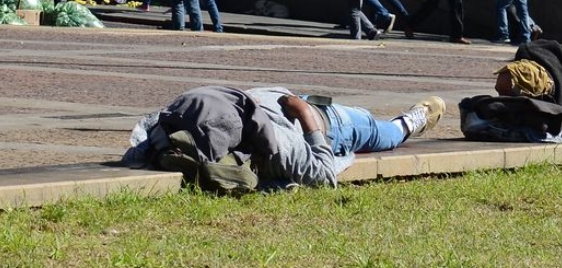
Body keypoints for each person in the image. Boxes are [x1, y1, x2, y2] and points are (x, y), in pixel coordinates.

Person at [127, 85, 446, 189]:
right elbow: (322, 173)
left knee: (382, 130)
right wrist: (305, 114)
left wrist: (304, 113)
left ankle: (409, 121)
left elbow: (323, 175)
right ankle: (408, 122)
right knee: (382, 132)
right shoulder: (277, 143)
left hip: (312, 114)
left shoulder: (275, 141)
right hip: (314, 116)